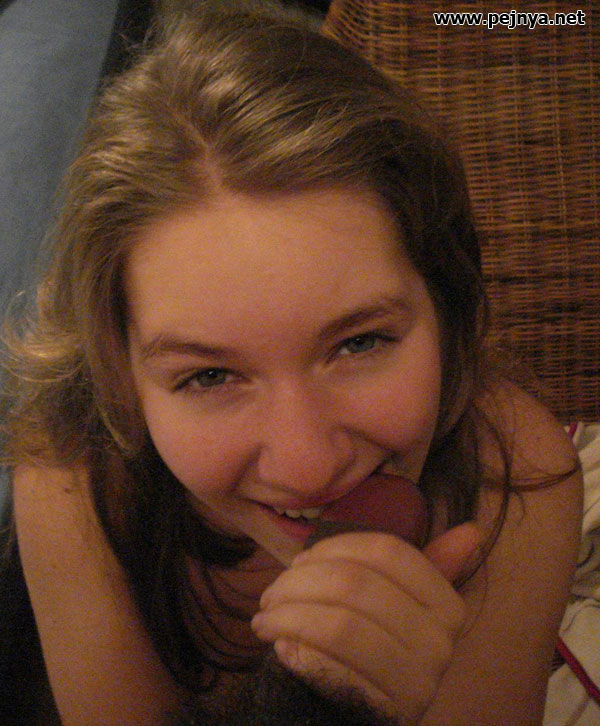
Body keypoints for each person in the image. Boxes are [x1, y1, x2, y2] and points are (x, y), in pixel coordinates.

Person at [0, 1, 583, 724]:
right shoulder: (75, 480)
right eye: (209, 376)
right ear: (121, 377)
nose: (308, 468)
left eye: (360, 343)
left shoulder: (517, 477)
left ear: (447, 311)